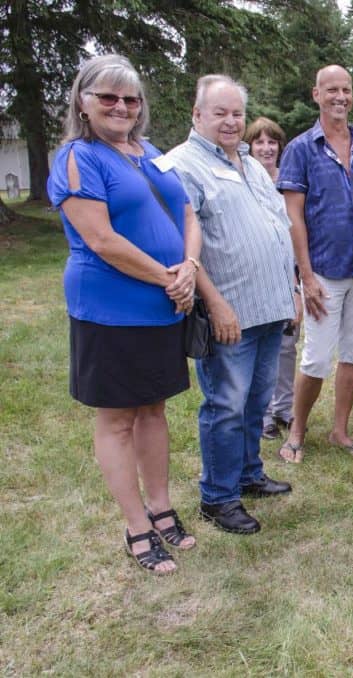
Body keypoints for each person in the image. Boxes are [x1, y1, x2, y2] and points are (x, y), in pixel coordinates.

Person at [47, 54, 201, 573]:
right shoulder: (77, 157)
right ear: (83, 102)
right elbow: (101, 239)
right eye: (107, 97)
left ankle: (161, 508)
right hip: (111, 309)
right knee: (117, 419)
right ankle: (136, 525)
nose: (120, 106)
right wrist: (169, 277)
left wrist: (190, 266)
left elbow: (183, 211)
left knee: (153, 409)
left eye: (130, 98)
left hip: (163, 304)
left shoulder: (150, 152)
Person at [167, 75, 296, 535]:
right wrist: (216, 303)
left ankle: (247, 473)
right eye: (219, 112)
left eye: (236, 112)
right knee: (226, 403)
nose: (230, 121)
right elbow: (184, 244)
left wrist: (291, 291)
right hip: (229, 313)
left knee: (256, 400)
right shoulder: (181, 166)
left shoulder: (251, 163)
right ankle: (218, 498)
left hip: (269, 307)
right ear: (197, 115)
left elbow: (277, 227)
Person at [276, 65, 353, 462]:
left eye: (347, 90)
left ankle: (340, 431)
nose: (341, 97)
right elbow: (294, 217)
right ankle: (296, 432)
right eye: (332, 90)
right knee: (317, 357)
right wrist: (306, 276)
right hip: (323, 270)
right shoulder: (301, 149)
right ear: (316, 94)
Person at [242, 117, 303, 441]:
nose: (266, 149)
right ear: (249, 147)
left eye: (271, 142)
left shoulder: (289, 183)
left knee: (287, 345)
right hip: (255, 276)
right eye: (259, 142)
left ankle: (284, 406)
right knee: (260, 348)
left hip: (289, 275)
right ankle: (262, 413)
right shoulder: (243, 181)